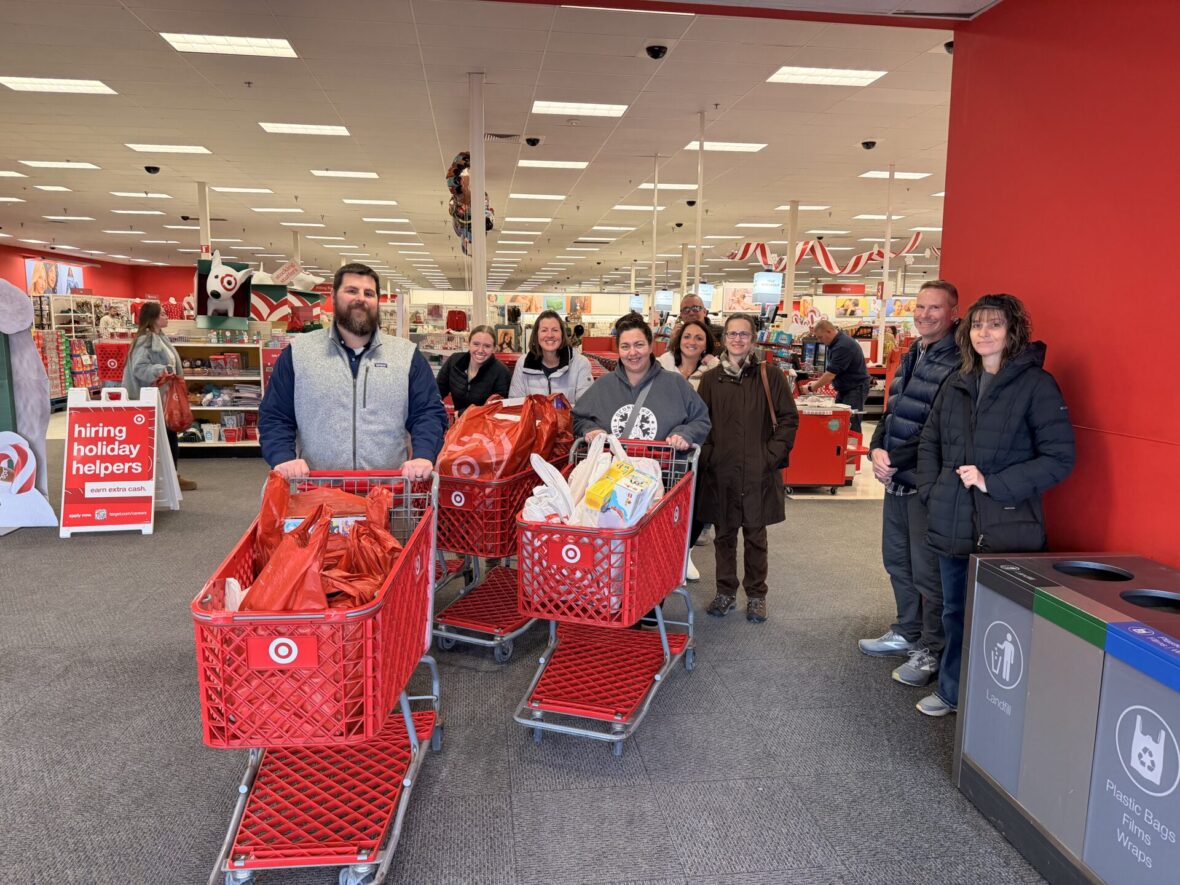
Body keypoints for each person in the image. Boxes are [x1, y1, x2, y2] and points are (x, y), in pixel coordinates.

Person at [915, 293, 1075, 717]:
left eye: (995, 325)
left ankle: (996, 704)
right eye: (977, 325)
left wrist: (994, 484)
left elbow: (1060, 458)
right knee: (954, 612)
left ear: (1012, 331)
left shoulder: (1036, 385)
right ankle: (952, 691)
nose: (984, 333)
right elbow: (930, 441)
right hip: (952, 522)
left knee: (1003, 621)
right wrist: (933, 490)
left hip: (1007, 526)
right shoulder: (958, 380)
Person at [859, 281, 962, 689]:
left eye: (934, 308)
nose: (924, 314)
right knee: (896, 560)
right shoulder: (912, 354)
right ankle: (907, 629)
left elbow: (940, 430)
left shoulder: (958, 361)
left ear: (953, 311)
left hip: (925, 483)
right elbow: (893, 412)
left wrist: (894, 461)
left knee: (927, 572)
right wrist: (876, 449)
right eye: (920, 307)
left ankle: (932, 650)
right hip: (896, 480)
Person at [259, 262, 447, 480]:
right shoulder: (299, 354)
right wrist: (283, 457)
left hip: (389, 493)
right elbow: (275, 415)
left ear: (377, 301)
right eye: (351, 291)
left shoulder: (406, 356)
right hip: (316, 491)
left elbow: (428, 412)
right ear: (334, 296)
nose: (361, 298)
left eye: (369, 293)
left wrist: (424, 455)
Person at [573, 313, 711, 579]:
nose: (632, 353)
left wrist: (684, 432)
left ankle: (649, 611)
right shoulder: (603, 386)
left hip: (662, 485)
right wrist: (590, 430)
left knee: (653, 550)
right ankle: (614, 603)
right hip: (613, 489)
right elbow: (579, 418)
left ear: (651, 346)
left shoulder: (674, 385)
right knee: (612, 549)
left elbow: (701, 419)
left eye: (638, 345)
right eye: (625, 346)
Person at [696, 313, 799, 623]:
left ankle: (756, 595)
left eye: (743, 334)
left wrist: (771, 455)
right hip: (722, 471)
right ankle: (725, 592)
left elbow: (788, 420)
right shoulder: (711, 380)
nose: (737, 339)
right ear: (724, 339)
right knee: (724, 536)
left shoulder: (771, 376)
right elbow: (702, 424)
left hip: (758, 471)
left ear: (753, 339)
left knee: (756, 535)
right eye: (732, 334)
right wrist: (710, 456)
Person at [121, 300, 197, 491]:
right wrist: (163, 369)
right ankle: (170, 477)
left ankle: (171, 475)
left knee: (169, 435)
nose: (167, 316)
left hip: (161, 396)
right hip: (151, 398)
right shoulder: (146, 340)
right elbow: (139, 368)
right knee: (166, 436)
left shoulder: (159, 337)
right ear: (153, 318)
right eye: (162, 314)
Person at [509, 309, 593, 403]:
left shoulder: (581, 364)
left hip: (569, 418)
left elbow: (586, 407)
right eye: (544, 330)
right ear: (536, 335)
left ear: (562, 334)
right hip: (533, 418)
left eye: (555, 330)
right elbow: (515, 405)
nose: (550, 335)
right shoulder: (522, 363)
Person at [804, 320, 871, 433]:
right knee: (839, 421)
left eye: (820, 337)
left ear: (829, 331)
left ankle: (851, 448)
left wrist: (813, 387)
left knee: (851, 423)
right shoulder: (836, 343)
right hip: (845, 388)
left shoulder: (843, 346)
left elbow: (830, 374)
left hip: (855, 388)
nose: (820, 341)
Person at [436, 325, 511, 414]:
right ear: (469, 344)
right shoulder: (454, 361)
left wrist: (464, 414)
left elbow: (499, 410)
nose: (480, 350)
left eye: (487, 346)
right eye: (476, 344)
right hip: (458, 426)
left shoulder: (501, 372)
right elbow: (435, 393)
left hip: (486, 426)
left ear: (494, 349)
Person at [657, 318, 719, 388]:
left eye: (699, 338)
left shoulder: (710, 371)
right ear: (680, 340)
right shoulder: (661, 365)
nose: (692, 342)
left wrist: (714, 363)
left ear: (706, 345)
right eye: (687, 337)